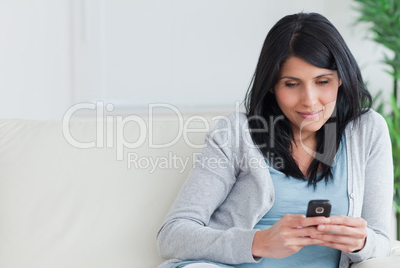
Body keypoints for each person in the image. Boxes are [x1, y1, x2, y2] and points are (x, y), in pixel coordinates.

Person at [156, 12, 393, 268]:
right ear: (271, 85)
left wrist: (362, 242)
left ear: (341, 78)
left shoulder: (367, 131)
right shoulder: (237, 133)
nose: (309, 100)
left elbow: (381, 239)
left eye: (322, 81)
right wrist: (257, 242)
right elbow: (172, 235)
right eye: (292, 84)